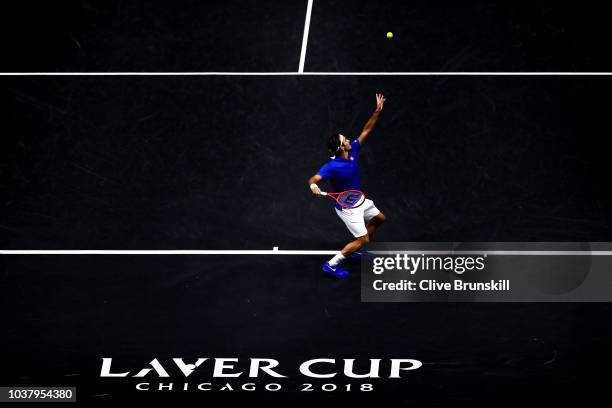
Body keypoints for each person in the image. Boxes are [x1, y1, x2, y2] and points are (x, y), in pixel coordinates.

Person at [307, 94, 387, 278]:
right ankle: (331, 265)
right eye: (346, 140)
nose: (350, 140)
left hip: (359, 199)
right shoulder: (331, 167)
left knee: (380, 219)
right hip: (347, 208)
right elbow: (313, 179)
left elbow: (366, 130)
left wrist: (377, 111)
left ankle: (358, 249)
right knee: (363, 239)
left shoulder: (353, 151)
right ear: (342, 147)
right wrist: (314, 187)